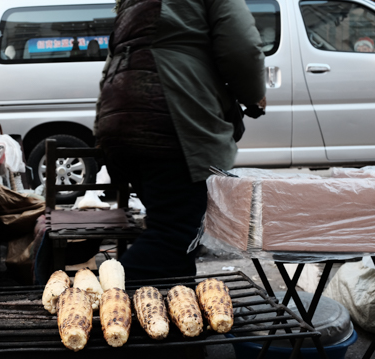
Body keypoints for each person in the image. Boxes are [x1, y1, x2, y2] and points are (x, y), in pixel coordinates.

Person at [94, 0, 266, 279]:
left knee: (175, 235)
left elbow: (111, 62)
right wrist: (253, 94)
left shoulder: (131, 4)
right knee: (174, 234)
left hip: (119, 118)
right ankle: (104, 302)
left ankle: (172, 307)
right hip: (170, 116)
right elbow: (242, 48)